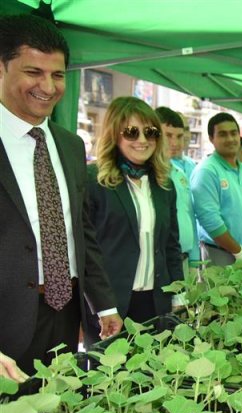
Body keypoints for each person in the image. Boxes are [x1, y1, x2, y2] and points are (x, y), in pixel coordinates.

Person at [0, 14, 121, 375]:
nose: (48, 87)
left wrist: (104, 305)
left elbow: (80, 233)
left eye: (57, 75)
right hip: (5, 324)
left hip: (65, 315)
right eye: (33, 72)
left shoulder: (70, 145)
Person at [84, 97, 183, 344]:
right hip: (110, 307)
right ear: (114, 135)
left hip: (156, 302)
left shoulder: (165, 185)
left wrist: (178, 294)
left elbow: (171, 246)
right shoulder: (93, 180)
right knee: (108, 378)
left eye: (150, 132)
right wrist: (104, 308)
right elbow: (87, 251)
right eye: (131, 132)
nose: (142, 140)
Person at [190, 112, 242, 266]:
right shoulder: (207, 171)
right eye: (223, 134)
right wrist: (238, 251)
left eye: (233, 133)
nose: (230, 139)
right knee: (221, 290)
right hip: (219, 252)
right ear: (211, 139)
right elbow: (210, 220)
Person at [155, 106, 200, 271]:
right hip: (162, 263)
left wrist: (195, 261)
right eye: (168, 135)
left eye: (180, 136)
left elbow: (189, 215)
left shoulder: (180, 174)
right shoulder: (149, 174)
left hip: (185, 259)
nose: (175, 143)